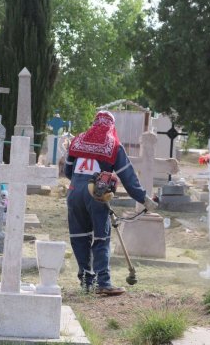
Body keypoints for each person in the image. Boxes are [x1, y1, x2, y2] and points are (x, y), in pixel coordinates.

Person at [64, 111, 158, 296]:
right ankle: (103, 282)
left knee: (80, 237)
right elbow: (129, 178)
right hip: (97, 194)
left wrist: (79, 181)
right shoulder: (113, 146)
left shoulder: (77, 141)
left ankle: (86, 282)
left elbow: (68, 170)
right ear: (111, 126)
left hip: (74, 193)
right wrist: (145, 199)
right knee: (101, 238)